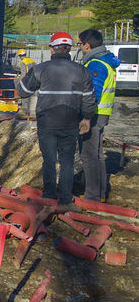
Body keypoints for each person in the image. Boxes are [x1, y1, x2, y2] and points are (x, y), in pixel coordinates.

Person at [16, 31, 95, 207]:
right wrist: (87, 119)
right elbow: (89, 99)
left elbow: (22, 92)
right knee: (67, 161)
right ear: (69, 49)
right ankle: (66, 198)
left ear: (52, 48)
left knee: (49, 160)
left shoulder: (40, 69)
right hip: (70, 121)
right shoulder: (82, 71)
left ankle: (50, 194)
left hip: (47, 122)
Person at [78, 29, 119, 202]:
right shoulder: (106, 61)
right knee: (97, 155)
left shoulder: (95, 64)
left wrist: (85, 117)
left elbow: (92, 93)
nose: (79, 47)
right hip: (101, 113)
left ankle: (92, 196)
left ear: (87, 45)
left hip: (93, 115)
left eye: (80, 44)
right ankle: (100, 194)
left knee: (88, 155)